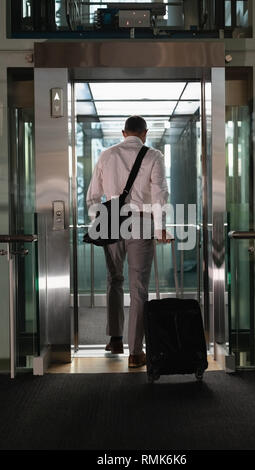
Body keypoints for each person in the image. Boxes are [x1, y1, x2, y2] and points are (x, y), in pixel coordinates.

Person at [86, 115, 169, 368]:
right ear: (144, 134)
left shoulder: (107, 155)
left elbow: (92, 197)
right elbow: (159, 194)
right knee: (138, 288)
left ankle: (115, 339)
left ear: (124, 133)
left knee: (114, 280)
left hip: (111, 222)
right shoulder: (154, 156)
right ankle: (135, 353)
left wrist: (99, 220)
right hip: (142, 223)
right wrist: (160, 227)